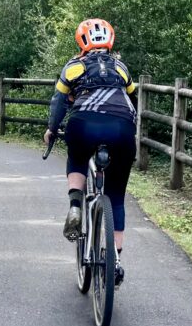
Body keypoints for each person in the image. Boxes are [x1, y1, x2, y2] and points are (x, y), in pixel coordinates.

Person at [43, 18, 137, 285]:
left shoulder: (73, 67)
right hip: (122, 128)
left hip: (84, 124)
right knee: (116, 198)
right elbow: (133, 98)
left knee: (77, 155)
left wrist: (52, 129)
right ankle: (115, 261)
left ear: (81, 41)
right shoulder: (121, 68)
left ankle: (75, 205)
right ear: (110, 41)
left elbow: (59, 101)